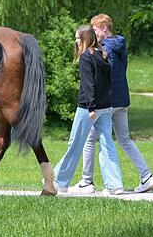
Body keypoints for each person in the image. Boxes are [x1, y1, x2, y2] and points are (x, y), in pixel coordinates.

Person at [72, 14, 153, 194]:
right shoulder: (120, 44)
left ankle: (87, 182)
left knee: (90, 139)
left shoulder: (104, 49)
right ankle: (147, 176)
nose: (93, 35)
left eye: (94, 30)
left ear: (104, 28)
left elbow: (101, 77)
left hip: (107, 102)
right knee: (124, 139)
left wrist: (94, 103)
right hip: (122, 99)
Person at [53, 25, 124, 195]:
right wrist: (104, 105)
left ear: (85, 38)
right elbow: (107, 83)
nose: (76, 41)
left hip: (88, 108)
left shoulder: (86, 57)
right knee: (107, 145)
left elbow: (88, 84)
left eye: (78, 38)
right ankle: (115, 186)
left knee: (75, 143)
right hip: (106, 106)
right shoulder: (104, 54)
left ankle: (60, 182)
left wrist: (91, 107)